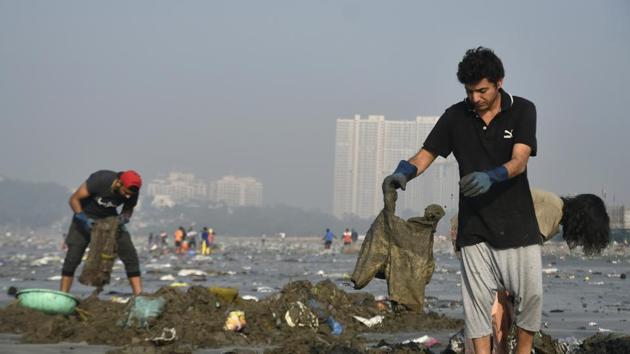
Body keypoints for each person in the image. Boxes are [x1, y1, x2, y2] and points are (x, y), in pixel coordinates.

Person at [383, 47, 540, 354]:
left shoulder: (523, 110)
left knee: (530, 298)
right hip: (474, 227)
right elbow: (425, 154)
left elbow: (520, 160)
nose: (475, 98)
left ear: (499, 83)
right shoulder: (455, 116)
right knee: (476, 305)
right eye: (470, 92)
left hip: (518, 223)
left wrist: (492, 176)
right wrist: (403, 172)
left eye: (482, 91)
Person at [450, 188, 611, 353]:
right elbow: (523, 249)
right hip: (474, 233)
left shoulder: (553, 206)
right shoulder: (552, 212)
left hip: (474, 229)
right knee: (495, 310)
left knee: (494, 308)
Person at [60, 170, 143, 295]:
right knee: (73, 257)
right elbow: (74, 199)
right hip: (85, 217)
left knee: (130, 255)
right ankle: (63, 294)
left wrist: (124, 217)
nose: (127, 196)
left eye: (129, 194)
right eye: (125, 192)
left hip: (110, 220)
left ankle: (139, 296)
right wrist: (83, 218)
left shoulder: (133, 192)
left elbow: (128, 208)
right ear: (119, 183)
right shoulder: (101, 180)